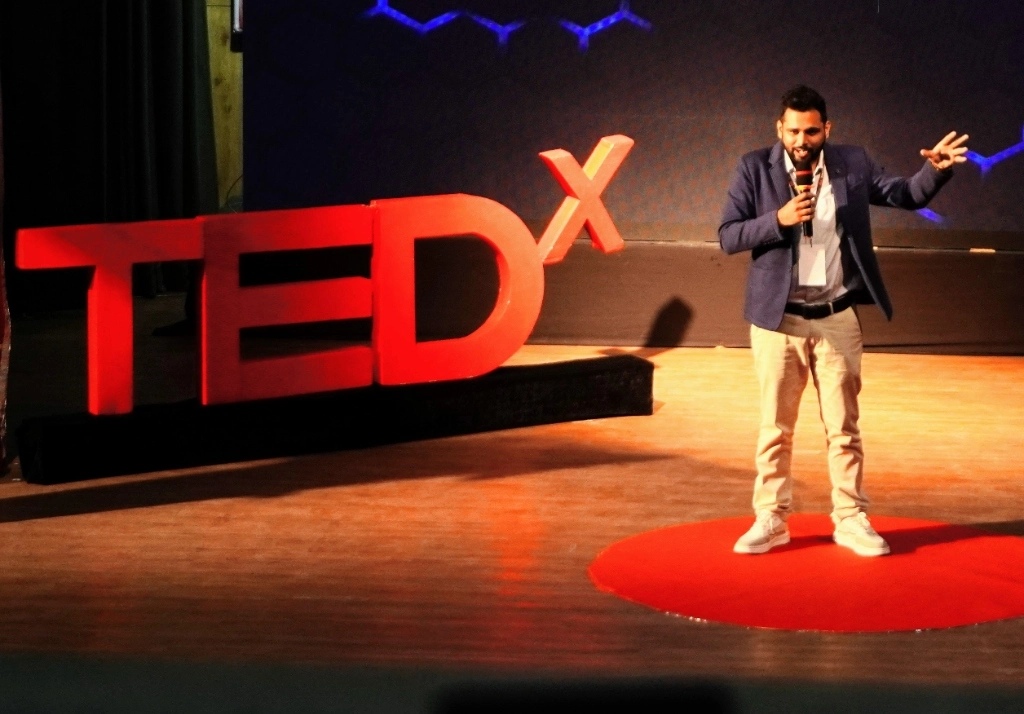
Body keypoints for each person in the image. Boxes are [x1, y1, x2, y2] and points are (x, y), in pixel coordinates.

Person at [719, 86, 968, 556]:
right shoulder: (754, 167)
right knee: (775, 427)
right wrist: (780, 219)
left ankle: (850, 517)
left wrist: (934, 170)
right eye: (792, 131)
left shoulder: (852, 163)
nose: (801, 140)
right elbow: (729, 235)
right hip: (780, 321)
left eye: (811, 131)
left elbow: (903, 194)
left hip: (836, 317)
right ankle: (771, 518)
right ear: (779, 129)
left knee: (844, 428)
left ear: (826, 130)